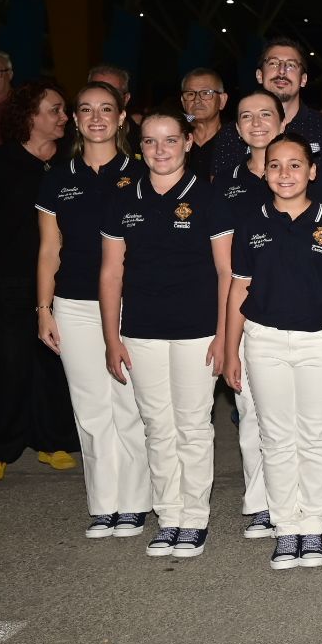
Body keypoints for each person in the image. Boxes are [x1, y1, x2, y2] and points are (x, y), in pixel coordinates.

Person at [100, 112, 234, 559]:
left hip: (198, 331)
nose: (161, 150)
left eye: (170, 140)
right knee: (157, 427)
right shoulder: (124, 199)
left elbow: (226, 272)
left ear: (188, 142)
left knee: (192, 427)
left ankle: (193, 519)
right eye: (150, 141)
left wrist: (223, 335)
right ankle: (168, 516)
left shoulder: (209, 197)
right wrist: (112, 338)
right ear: (139, 146)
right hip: (141, 330)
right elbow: (111, 272)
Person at [226, 134, 322, 570]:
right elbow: (238, 288)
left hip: (320, 341)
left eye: (295, 165)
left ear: (312, 171)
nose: (285, 174)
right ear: (264, 172)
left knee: (316, 435)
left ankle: (313, 525)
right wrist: (231, 350)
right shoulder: (251, 223)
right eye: (276, 165)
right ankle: (286, 527)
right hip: (263, 341)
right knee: (275, 436)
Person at [35, 81, 150, 535]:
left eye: (106, 109)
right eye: (86, 110)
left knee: (129, 404)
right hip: (74, 305)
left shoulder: (142, 173)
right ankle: (105, 503)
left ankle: (136, 502)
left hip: (130, 304)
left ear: (122, 117)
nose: (96, 117)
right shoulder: (56, 178)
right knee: (90, 407)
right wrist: (44, 309)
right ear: (76, 120)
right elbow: (49, 249)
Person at [0, 79, 80, 482]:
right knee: (9, 361)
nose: (64, 117)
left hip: (61, 280)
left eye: (64, 110)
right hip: (8, 279)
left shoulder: (70, 161)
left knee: (52, 362)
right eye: (55, 110)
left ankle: (53, 440)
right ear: (30, 116)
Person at [208, 38, 322, 178]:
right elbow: (218, 187)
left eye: (291, 65)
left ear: (303, 79)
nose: (281, 71)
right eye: (273, 63)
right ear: (259, 75)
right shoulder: (230, 134)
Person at [180, 67, 227, 181]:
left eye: (206, 93)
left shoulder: (236, 142)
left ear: (222, 100)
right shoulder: (175, 142)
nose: (197, 100)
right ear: (183, 102)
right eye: (190, 94)